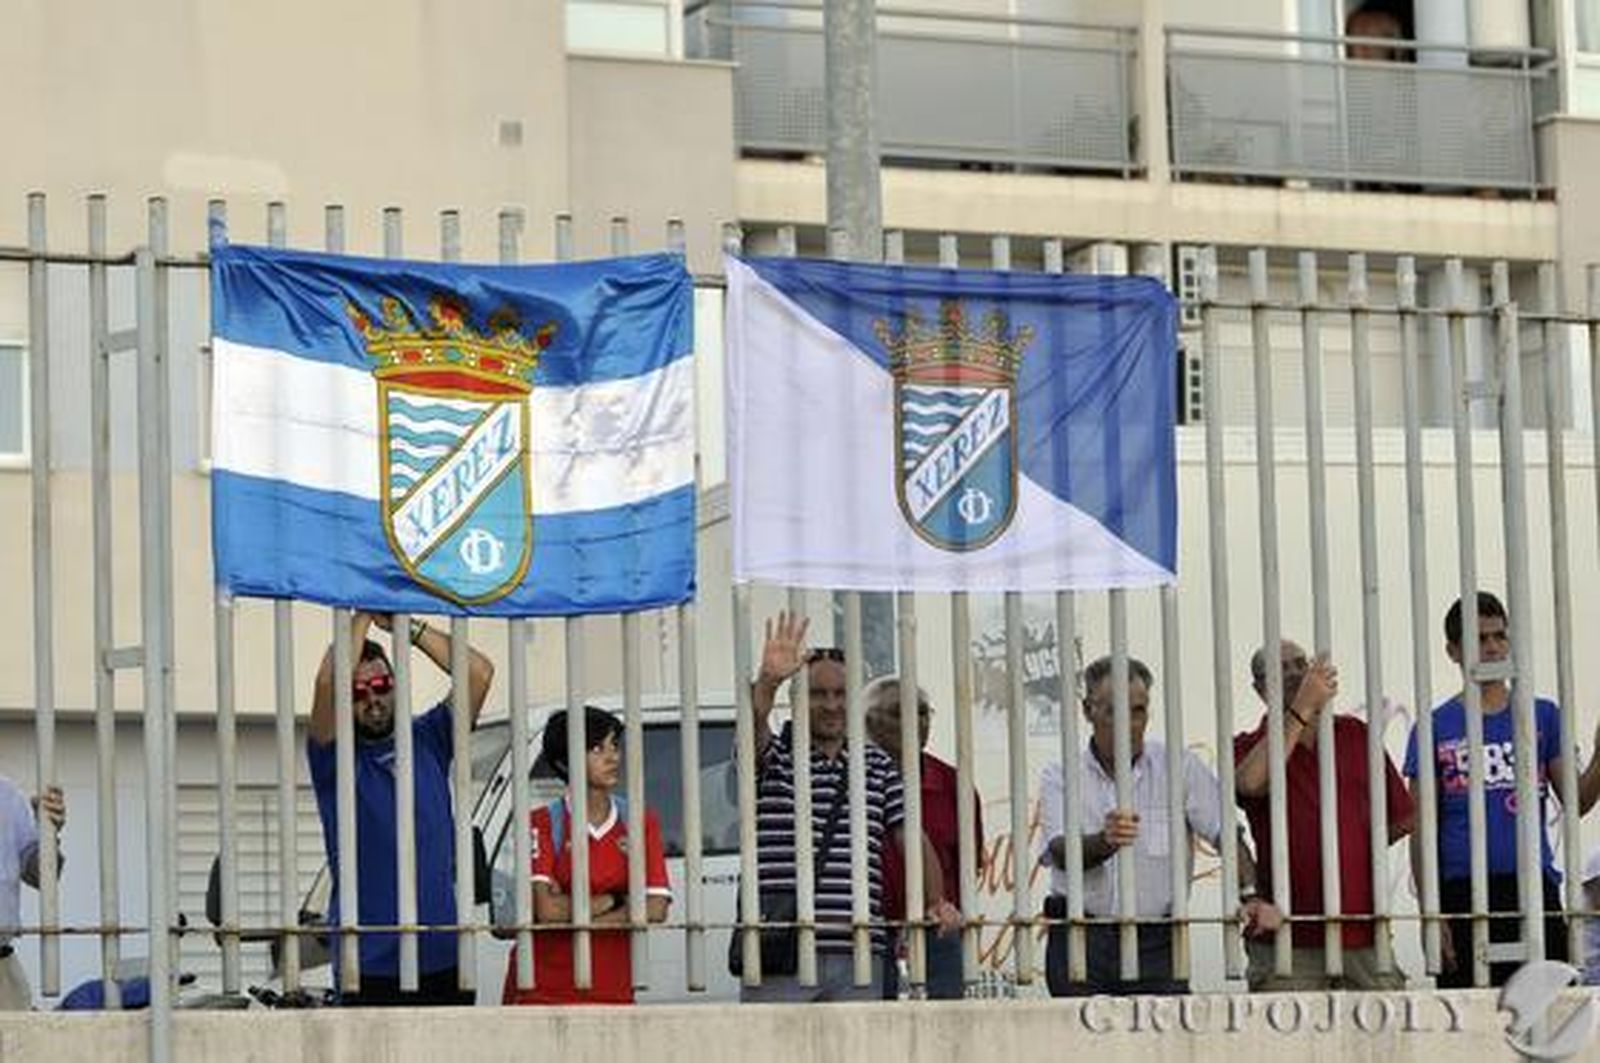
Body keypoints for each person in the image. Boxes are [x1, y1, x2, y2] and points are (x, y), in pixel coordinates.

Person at [740, 612, 960, 1002]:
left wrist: (934, 900)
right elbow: (752, 727)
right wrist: (769, 681)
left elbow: (910, 836)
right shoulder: (774, 756)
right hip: (782, 946)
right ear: (796, 700)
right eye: (818, 694)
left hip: (858, 945)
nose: (831, 705)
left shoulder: (875, 765)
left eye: (841, 694)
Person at [1038, 656, 1279, 996]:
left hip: (1156, 940)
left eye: (1138, 711)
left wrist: (1250, 895)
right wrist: (1105, 842)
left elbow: (1226, 833)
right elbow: (1059, 850)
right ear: (1087, 711)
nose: (1130, 724)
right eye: (1114, 712)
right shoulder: (1061, 775)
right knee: (1079, 1045)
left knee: (1162, 1042)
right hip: (1079, 936)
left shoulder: (1178, 767)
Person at [1404, 592, 1600, 987]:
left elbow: (1575, 803)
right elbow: (1421, 828)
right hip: (1462, 893)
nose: (1492, 647)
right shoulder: (1435, 726)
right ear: (1454, 651)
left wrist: (1599, 756)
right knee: (1474, 1025)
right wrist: (1432, 911)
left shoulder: (1540, 714)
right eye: (1480, 639)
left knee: (1551, 1018)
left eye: (1499, 636)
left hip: (1533, 889)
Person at [307, 610, 493, 1006]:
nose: (372, 699)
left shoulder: (429, 738)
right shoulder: (335, 758)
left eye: (380, 685)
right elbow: (326, 682)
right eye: (358, 692)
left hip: (444, 955)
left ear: (394, 685)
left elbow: (479, 673)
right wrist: (361, 614)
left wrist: (407, 628)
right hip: (369, 963)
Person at [1234, 639, 1415, 991]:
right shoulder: (1249, 745)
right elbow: (1252, 783)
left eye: (1299, 665)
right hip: (1285, 938)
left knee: (1388, 1039)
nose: (1293, 674)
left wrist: (1351, 848)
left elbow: (1403, 818)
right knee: (1287, 1043)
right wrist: (1302, 707)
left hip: (1362, 929)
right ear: (1260, 689)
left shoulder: (1355, 735)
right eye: (1279, 669)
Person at [502, 706, 670, 1005]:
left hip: (613, 990)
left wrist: (574, 910)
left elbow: (656, 907)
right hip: (543, 992)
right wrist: (617, 899)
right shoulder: (542, 822)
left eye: (614, 746)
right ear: (564, 761)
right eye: (596, 748)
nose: (612, 757)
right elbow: (546, 910)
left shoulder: (640, 820)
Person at [864, 676, 984, 1000]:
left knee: (946, 1028)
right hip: (870, 931)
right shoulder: (854, 779)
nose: (914, 722)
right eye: (897, 712)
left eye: (921, 712)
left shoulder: (954, 785)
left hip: (938, 930)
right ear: (868, 721)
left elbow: (967, 866)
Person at [0, 779, 63, 1011]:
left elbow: (42, 877)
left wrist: (48, 832)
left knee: (15, 1047)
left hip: (2, 970)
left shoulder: (7, 795)